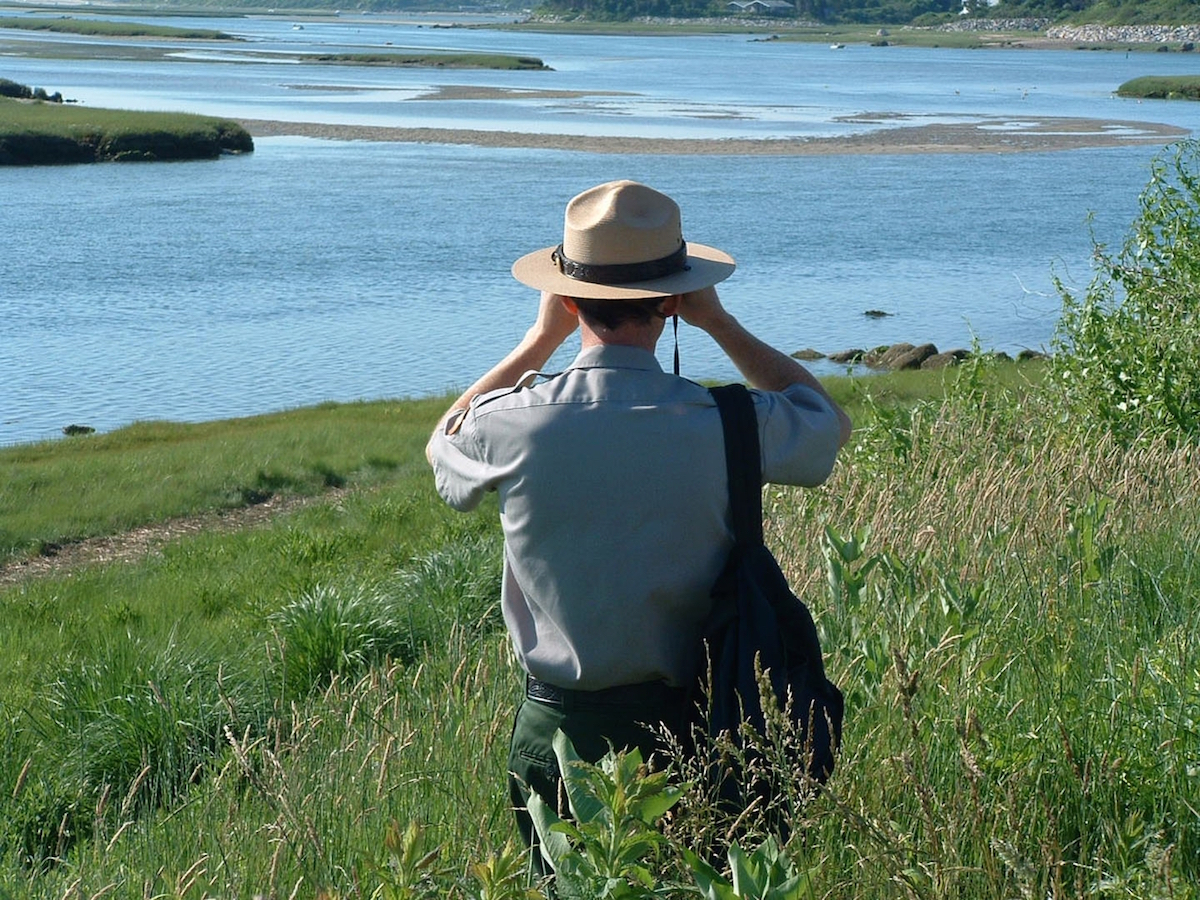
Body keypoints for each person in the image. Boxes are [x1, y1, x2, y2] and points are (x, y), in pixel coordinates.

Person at [425, 180, 851, 856]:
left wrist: (539, 341)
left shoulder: (509, 424)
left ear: (568, 299)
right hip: (698, 724)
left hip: (556, 731)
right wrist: (721, 323)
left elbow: (444, 444)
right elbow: (827, 426)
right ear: (675, 301)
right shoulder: (729, 423)